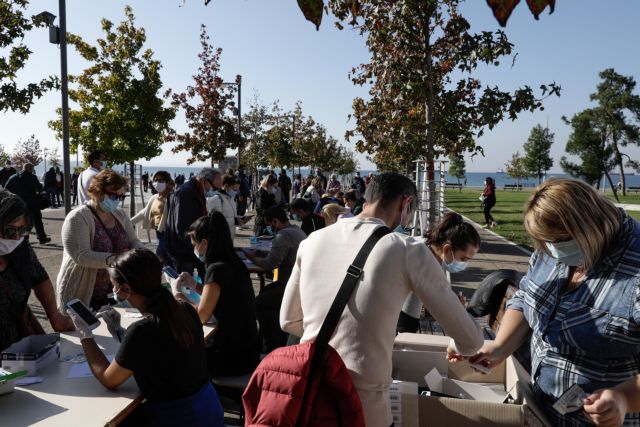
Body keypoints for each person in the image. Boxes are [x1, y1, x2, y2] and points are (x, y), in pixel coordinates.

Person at [280, 173, 483, 427]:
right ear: (406, 203)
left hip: (311, 389)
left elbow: (288, 320)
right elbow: (471, 340)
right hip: (364, 402)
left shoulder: (313, 240)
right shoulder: (408, 249)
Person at [452, 179, 640, 426]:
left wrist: (624, 398)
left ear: (588, 226)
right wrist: (500, 347)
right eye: (545, 243)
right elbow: (527, 296)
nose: (552, 251)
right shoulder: (552, 244)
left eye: (558, 242)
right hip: (543, 406)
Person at [67, 248, 224, 427]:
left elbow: (108, 379)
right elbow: (159, 350)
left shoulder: (142, 331)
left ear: (127, 288)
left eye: (114, 285)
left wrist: (85, 335)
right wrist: (119, 332)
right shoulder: (185, 310)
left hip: (178, 419)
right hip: (209, 412)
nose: (113, 290)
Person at [171, 212, 260, 377]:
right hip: (249, 350)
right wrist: (194, 285)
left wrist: (177, 294)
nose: (194, 249)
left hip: (232, 357)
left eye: (194, 244)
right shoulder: (234, 263)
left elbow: (201, 316)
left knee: (177, 360)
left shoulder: (216, 269)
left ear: (204, 243)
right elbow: (221, 296)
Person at [56, 170, 143, 310]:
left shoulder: (120, 215)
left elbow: (133, 241)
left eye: (121, 197)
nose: (117, 200)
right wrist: (121, 259)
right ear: (97, 191)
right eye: (113, 195)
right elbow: (82, 256)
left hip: (115, 293)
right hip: (83, 293)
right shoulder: (77, 218)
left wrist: (143, 253)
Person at [0, 190, 73, 350]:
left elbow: (39, 279)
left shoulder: (20, 248)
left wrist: (54, 316)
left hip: (20, 339)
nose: (17, 237)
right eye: (9, 231)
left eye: (23, 230)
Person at [397, 212, 481, 334]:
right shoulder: (425, 262)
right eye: (463, 259)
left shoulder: (424, 247)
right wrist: (454, 306)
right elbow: (406, 325)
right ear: (447, 249)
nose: (464, 264)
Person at [246, 206, 306, 352]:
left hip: (290, 285)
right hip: (297, 283)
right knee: (265, 293)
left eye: (269, 225)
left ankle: (272, 343)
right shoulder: (297, 230)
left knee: (259, 304)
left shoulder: (284, 235)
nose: (269, 228)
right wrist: (263, 254)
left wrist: (252, 258)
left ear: (275, 221)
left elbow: (270, 264)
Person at [165, 168, 220, 275]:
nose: (212, 191)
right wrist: (199, 245)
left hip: (192, 248)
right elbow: (182, 228)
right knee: (186, 282)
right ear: (204, 181)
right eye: (213, 187)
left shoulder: (196, 191)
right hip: (183, 251)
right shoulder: (186, 193)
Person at [131, 171, 174, 264]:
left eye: (161, 180)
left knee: (161, 257)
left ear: (167, 183)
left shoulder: (172, 198)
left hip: (169, 234)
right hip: (159, 232)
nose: (157, 183)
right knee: (163, 260)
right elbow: (144, 212)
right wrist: (129, 222)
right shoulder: (154, 197)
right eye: (155, 180)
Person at [4, 163, 50, 244]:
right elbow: (39, 188)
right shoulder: (32, 177)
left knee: (23, 222)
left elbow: (6, 188)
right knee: (37, 221)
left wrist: (15, 196)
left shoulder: (14, 177)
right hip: (32, 203)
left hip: (19, 204)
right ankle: (42, 238)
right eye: (32, 169)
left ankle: (24, 240)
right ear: (30, 169)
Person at [206, 174, 245, 239]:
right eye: (235, 188)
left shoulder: (231, 199)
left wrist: (237, 219)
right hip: (220, 238)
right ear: (226, 186)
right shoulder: (217, 199)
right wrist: (235, 221)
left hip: (229, 236)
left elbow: (229, 216)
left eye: (238, 189)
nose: (237, 191)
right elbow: (215, 221)